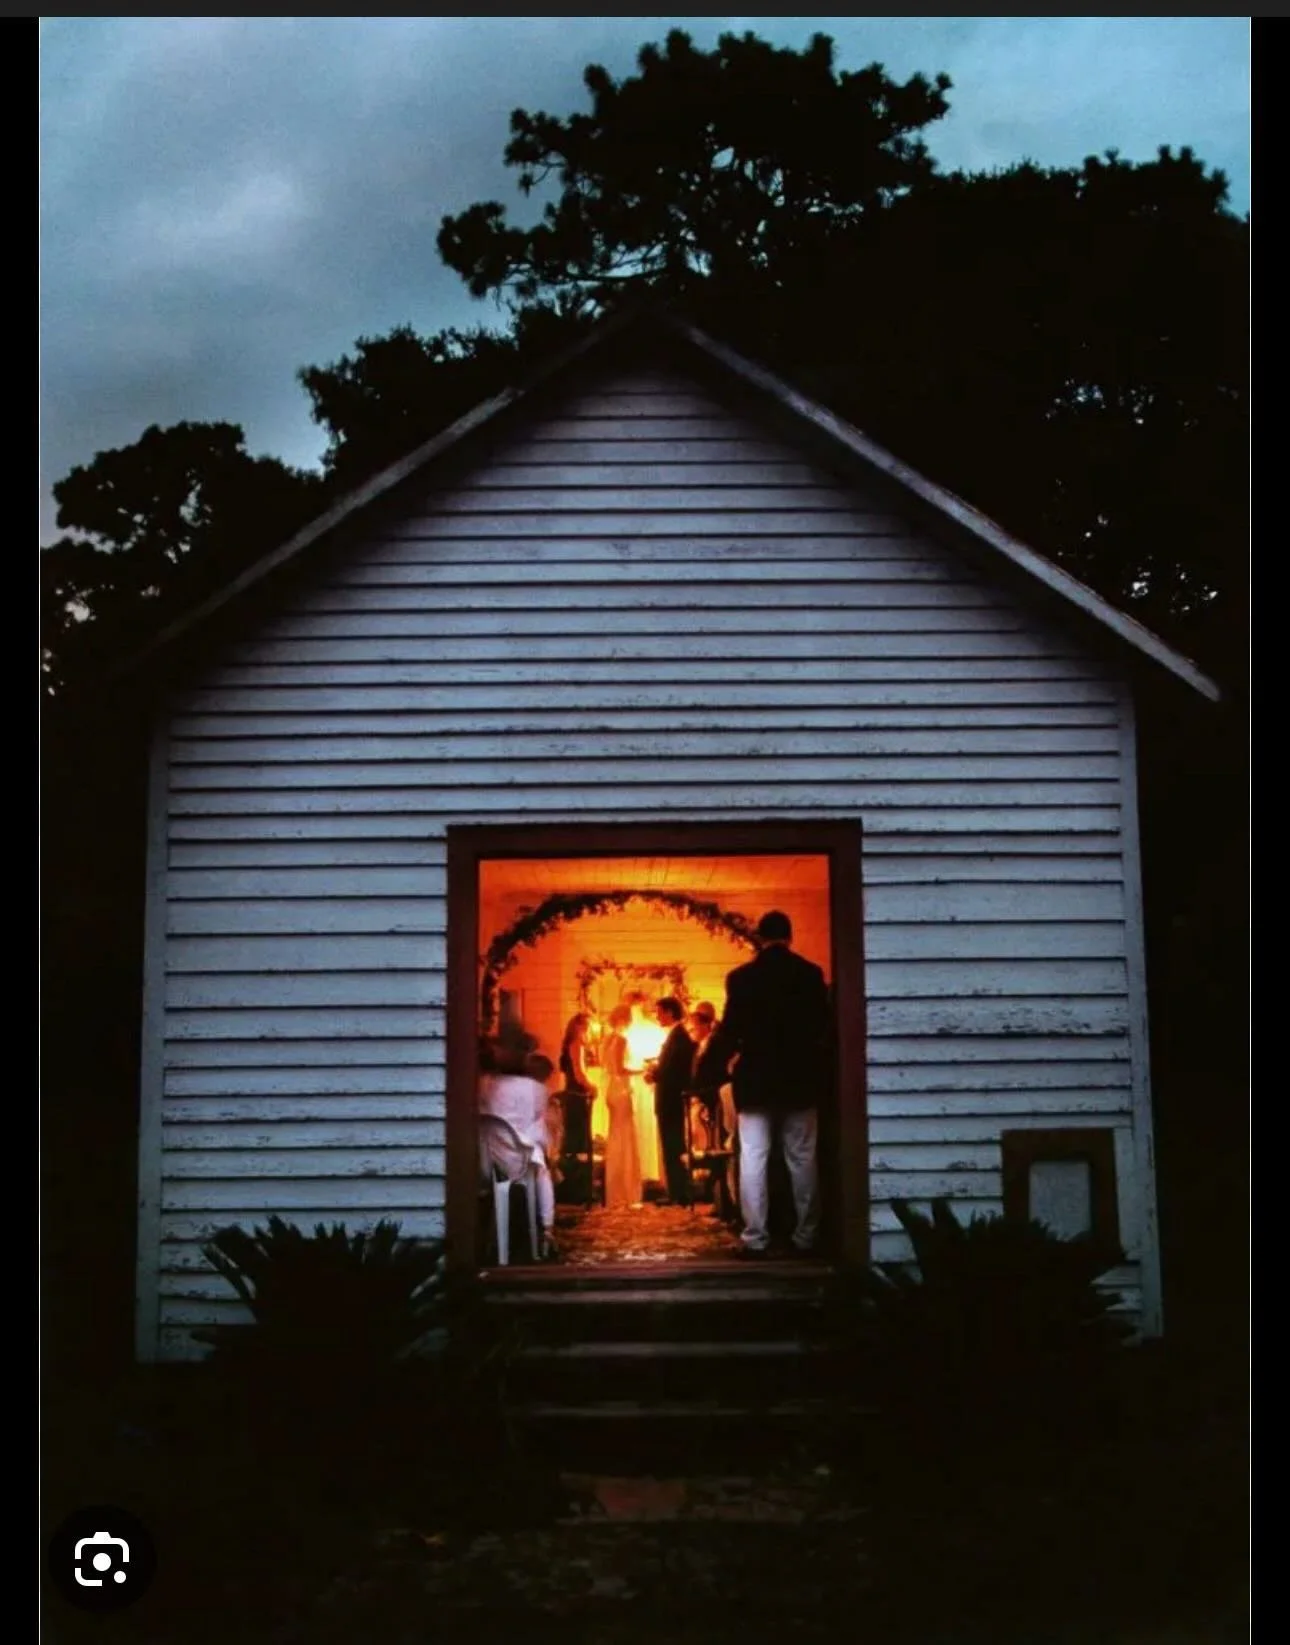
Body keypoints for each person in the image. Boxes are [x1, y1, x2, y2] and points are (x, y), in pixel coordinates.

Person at [697, 911, 830, 1257]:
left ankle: (755, 1236)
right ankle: (807, 1235)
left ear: (760, 937)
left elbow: (731, 1030)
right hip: (800, 1078)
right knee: (802, 1158)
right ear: (790, 935)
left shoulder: (741, 979)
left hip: (755, 1079)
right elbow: (821, 1028)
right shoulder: (810, 975)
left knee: (753, 1159)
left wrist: (708, 1070)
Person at [478, 1031, 560, 1260]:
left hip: (485, 1161)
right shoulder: (534, 1089)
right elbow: (534, 1122)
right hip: (520, 1161)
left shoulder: (483, 1084)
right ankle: (546, 1227)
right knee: (541, 1161)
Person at [644, 997, 695, 1206]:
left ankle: (679, 1193)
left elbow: (674, 1070)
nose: (657, 1017)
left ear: (670, 1013)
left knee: (673, 1145)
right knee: (671, 1145)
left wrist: (655, 1075)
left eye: (659, 1012)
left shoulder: (679, 1037)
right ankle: (676, 1191)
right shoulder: (675, 1036)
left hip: (671, 1099)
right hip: (669, 1098)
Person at [600, 1003, 643, 1209]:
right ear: (625, 1020)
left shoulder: (606, 1039)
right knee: (624, 1136)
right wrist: (641, 1070)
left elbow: (609, 1068)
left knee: (616, 1135)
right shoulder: (621, 1040)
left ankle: (615, 1188)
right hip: (621, 1090)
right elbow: (619, 1069)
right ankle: (624, 1190)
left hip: (611, 1090)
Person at [557, 1012, 596, 1202]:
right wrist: (591, 1087)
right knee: (579, 1135)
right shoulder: (577, 1044)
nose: (588, 1031)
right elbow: (579, 1073)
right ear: (579, 1026)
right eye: (586, 1026)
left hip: (570, 1092)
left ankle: (572, 1184)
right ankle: (579, 1186)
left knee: (574, 1134)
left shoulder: (567, 1044)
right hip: (577, 1093)